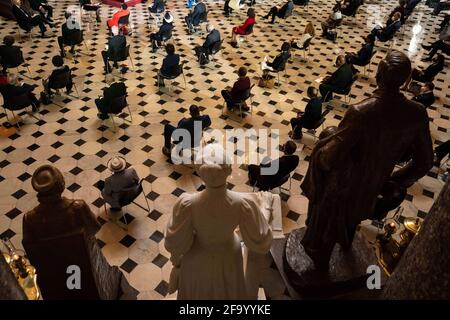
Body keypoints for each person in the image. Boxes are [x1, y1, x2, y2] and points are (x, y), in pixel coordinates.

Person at [301, 50, 434, 271]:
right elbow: (425, 162)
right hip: (374, 183)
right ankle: (344, 244)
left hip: (343, 185)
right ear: (405, 80)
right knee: (351, 220)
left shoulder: (361, 112)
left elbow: (330, 157)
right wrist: (393, 181)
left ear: (379, 75)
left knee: (324, 238)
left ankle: (319, 273)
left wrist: (322, 146)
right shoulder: (417, 112)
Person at [165, 143, 273, 299]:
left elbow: (172, 242)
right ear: (229, 170)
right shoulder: (242, 203)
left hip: (196, 258)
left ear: (199, 172)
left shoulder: (187, 203)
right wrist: (266, 208)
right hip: (228, 256)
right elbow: (261, 238)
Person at [23, 164, 100, 243]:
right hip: (84, 253)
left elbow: (29, 245)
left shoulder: (29, 219)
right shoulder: (78, 207)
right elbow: (94, 228)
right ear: (62, 185)